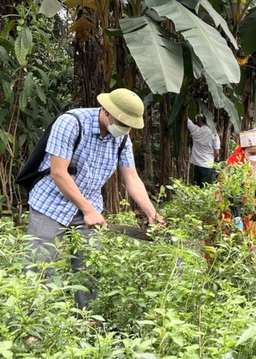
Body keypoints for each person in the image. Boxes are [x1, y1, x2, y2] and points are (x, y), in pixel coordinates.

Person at [26, 88, 164, 309]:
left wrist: (151, 212)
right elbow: (58, 172)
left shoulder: (121, 138)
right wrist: (88, 210)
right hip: (50, 204)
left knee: (89, 268)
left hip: (88, 206)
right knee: (40, 265)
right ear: (107, 111)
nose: (125, 128)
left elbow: (131, 177)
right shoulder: (71, 123)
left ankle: (88, 322)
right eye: (122, 122)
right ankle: (34, 329)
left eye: (129, 125)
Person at [226, 128, 256, 235]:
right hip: (232, 206)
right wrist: (237, 217)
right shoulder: (234, 164)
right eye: (251, 153)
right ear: (243, 151)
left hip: (252, 206)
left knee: (250, 238)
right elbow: (231, 193)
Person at [187, 115, 221, 186]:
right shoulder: (214, 134)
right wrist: (216, 157)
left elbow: (188, 122)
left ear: (201, 122)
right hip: (208, 166)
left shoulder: (196, 130)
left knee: (196, 188)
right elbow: (217, 152)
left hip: (196, 165)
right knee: (206, 190)